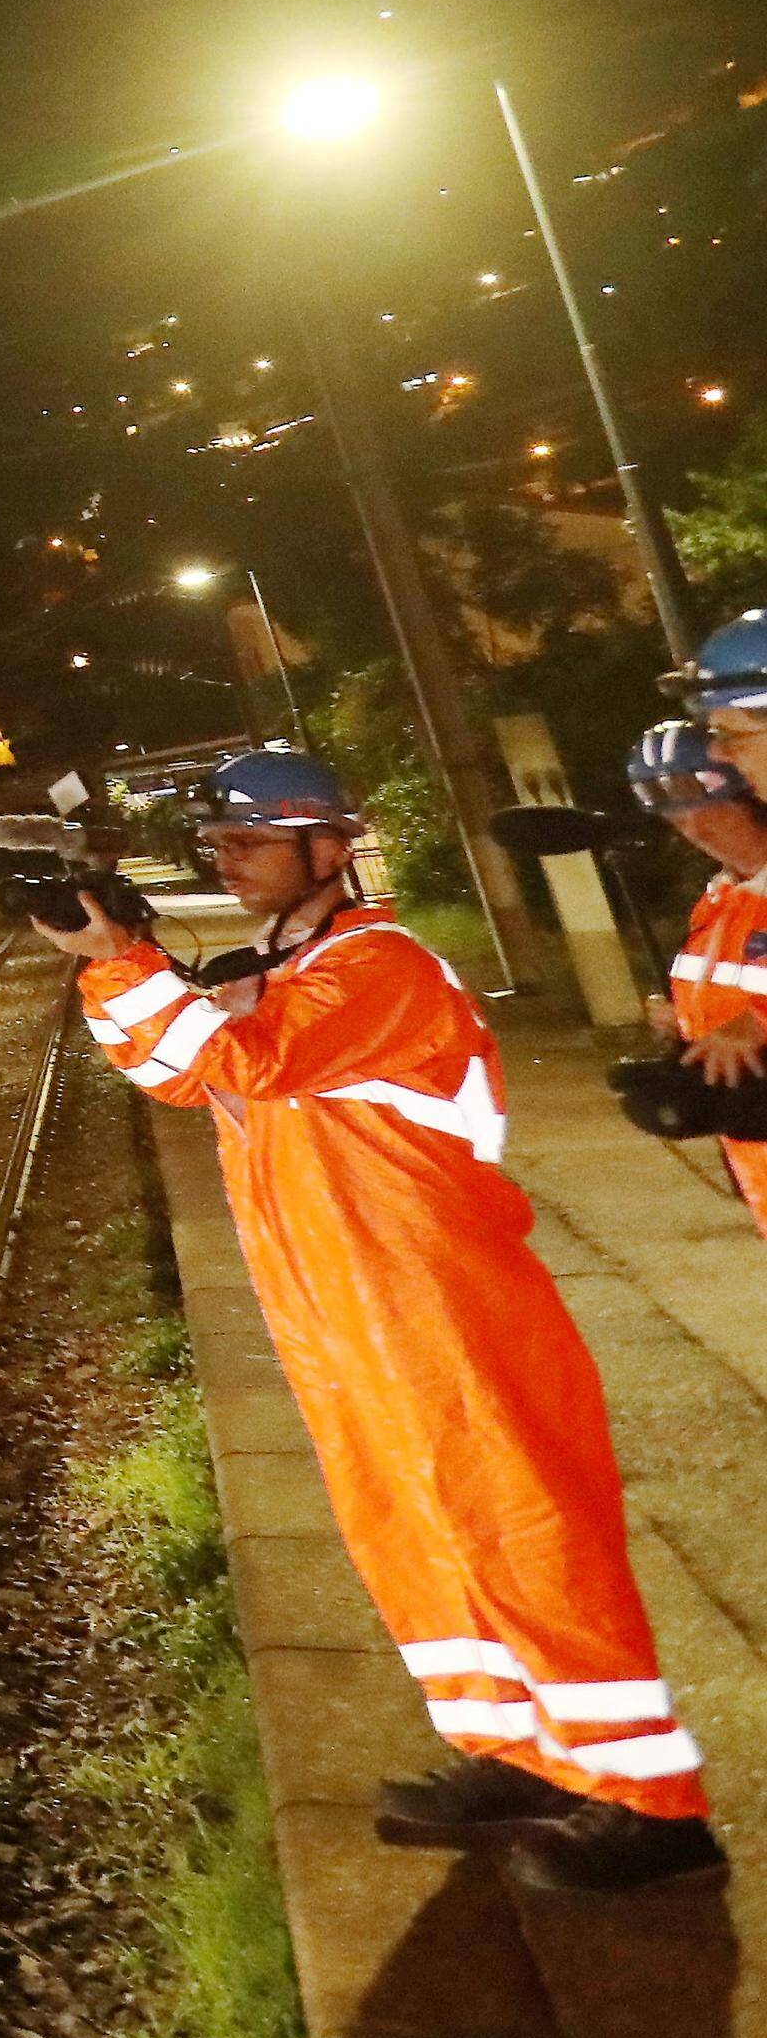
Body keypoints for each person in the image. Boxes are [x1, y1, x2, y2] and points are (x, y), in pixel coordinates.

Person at [49, 746, 719, 1896]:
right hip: (336, 1304)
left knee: (519, 1529)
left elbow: (235, 1060)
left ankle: (649, 1803)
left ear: (327, 846)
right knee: (410, 1532)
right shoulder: (286, 965)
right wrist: (125, 965)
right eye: (217, 845)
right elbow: (174, 1074)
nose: (230, 861)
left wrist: (121, 961)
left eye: (251, 841)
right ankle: (516, 1752)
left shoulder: (376, 965)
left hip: (433, 1297)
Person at [631, 719, 767, 1246]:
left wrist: (753, 1024)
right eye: (672, 811)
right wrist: (681, 1024)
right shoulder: (720, 901)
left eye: (703, 803)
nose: (691, 826)